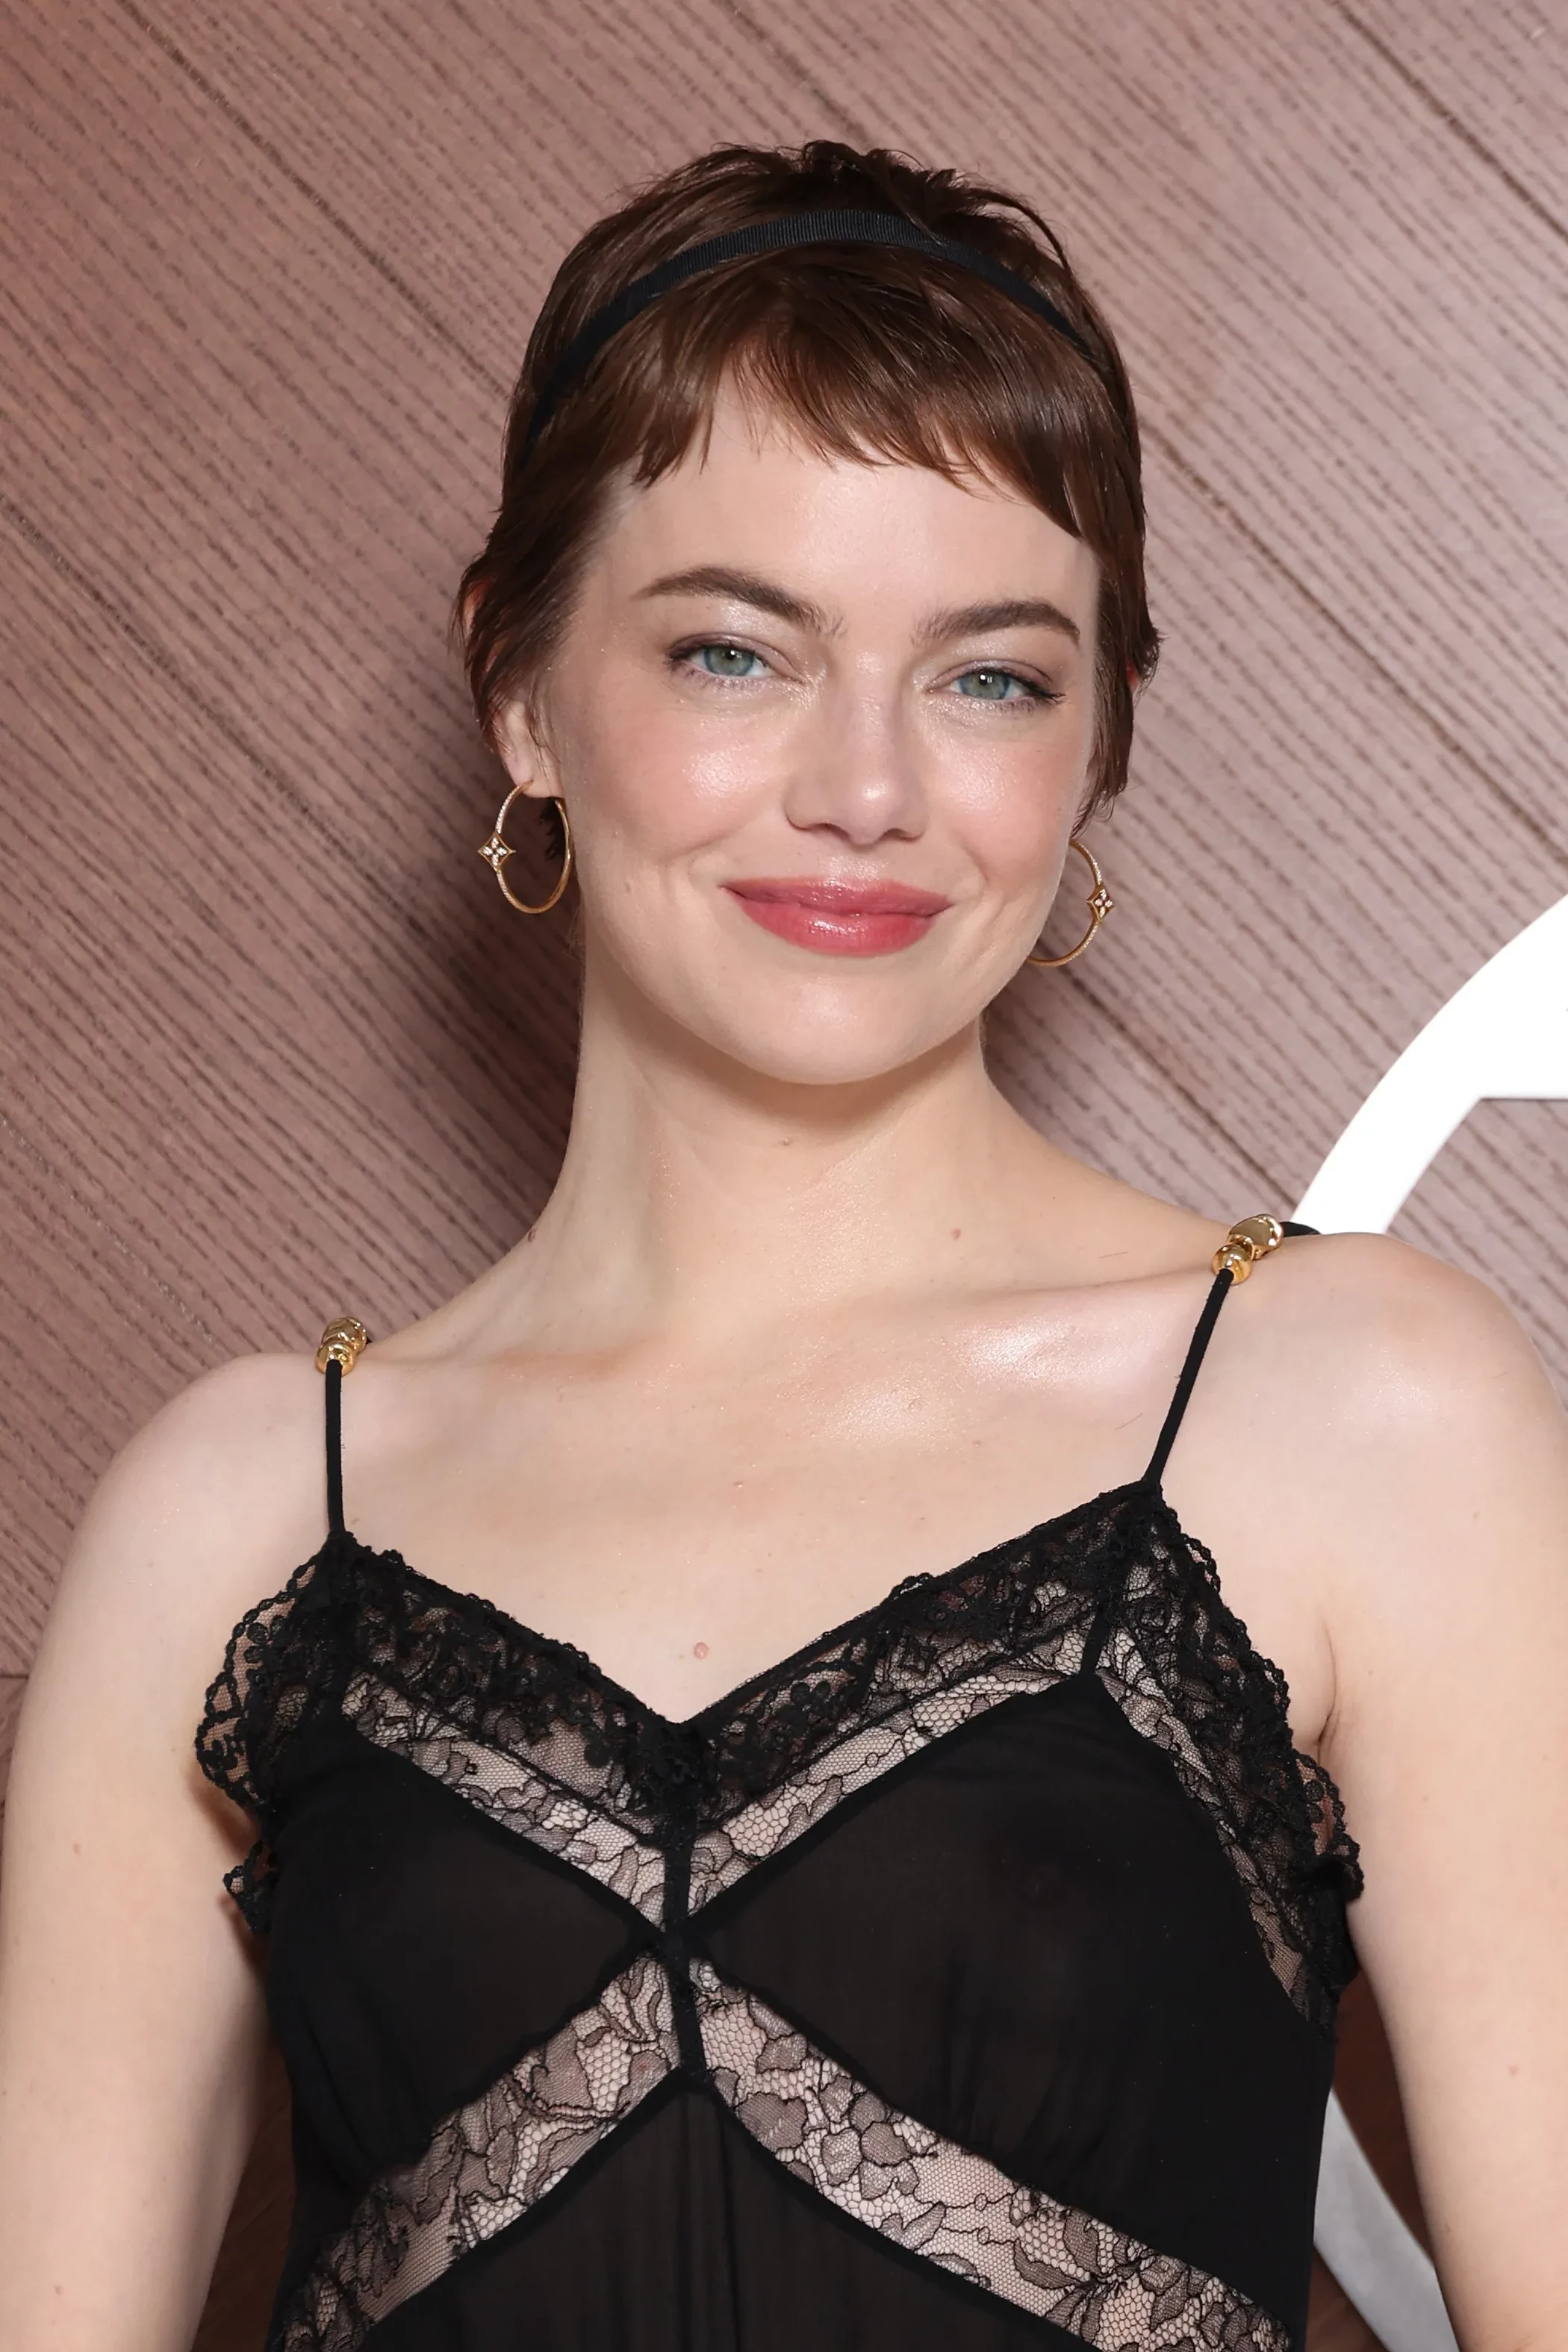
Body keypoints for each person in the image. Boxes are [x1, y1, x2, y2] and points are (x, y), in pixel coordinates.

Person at [0, 138, 1563, 2352]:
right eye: (735, 652)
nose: (867, 787)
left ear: (1098, 740)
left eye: (990, 678)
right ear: (520, 686)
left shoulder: (1360, 1406)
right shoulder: (240, 1511)